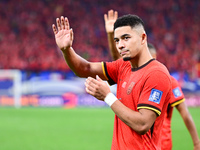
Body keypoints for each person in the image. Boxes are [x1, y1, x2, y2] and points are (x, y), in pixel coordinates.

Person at [52, 14, 172, 150]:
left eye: (126, 38)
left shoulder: (156, 74)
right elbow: (85, 68)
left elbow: (142, 124)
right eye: (117, 40)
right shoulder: (123, 66)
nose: (120, 45)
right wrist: (66, 50)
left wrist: (108, 97)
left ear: (143, 38)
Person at [104, 9, 200, 150]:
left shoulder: (164, 79)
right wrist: (110, 35)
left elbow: (185, 114)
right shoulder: (133, 74)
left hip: (162, 144)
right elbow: (119, 63)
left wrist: (197, 143)